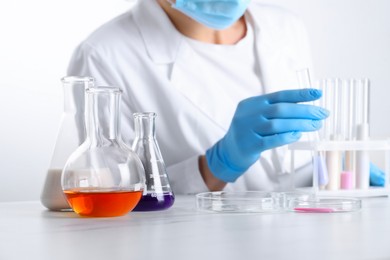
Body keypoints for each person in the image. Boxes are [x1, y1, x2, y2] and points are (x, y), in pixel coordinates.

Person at [66, 0, 383, 194]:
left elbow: (284, 168)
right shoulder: (104, 55)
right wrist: (215, 167)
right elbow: (114, 196)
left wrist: (328, 170)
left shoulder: (285, 27)